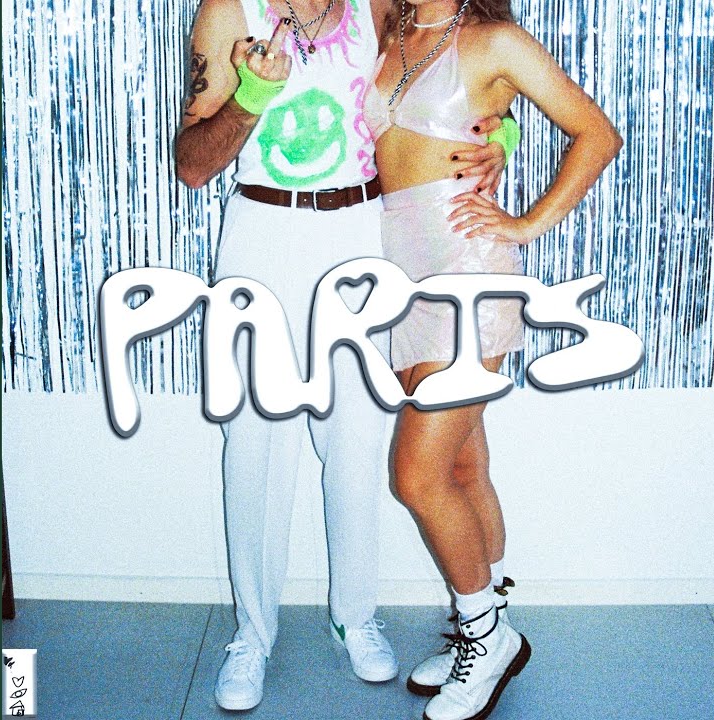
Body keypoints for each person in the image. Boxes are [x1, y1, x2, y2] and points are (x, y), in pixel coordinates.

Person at [174, 0, 508, 710]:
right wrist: (251, 97)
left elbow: (439, 71)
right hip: (262, 232)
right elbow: (192, 165)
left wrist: (494, 135)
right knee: (255, 445)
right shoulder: (230, 12)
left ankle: (356, 617)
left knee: (357, 439)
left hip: (361, 233)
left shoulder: (379, 5)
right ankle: (252, 635)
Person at [362, 1, 624, 719]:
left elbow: (597, 133)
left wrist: (529, 222)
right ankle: (484, 618)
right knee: (462, 467)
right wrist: (503, 136)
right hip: (402, 271)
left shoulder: (496, 40)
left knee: (417, 476)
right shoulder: (384, 29)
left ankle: (486, 638)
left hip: (468, 270)